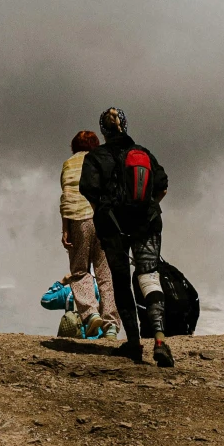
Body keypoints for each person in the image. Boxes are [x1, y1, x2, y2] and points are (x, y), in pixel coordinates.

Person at [77, 105, 173, 368]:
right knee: (149, 276)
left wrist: (105, 213)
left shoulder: (95, 157)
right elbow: (163, 185)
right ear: (126, 126)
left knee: (121, 282)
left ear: (103, 131)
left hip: (113, 227)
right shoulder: (143, 153)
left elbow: (88, 190)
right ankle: (160, 340)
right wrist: (148, 205)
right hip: (147, 223)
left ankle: (134, 343)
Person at [61, 128, 119, 338]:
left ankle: (91, 314)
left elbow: (67, 196)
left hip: (79, 219)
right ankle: (111, 325)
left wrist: (65, 228)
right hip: (104, 219)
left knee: (79, 270)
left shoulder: (69, 164)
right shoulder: (104, 160)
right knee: (106, 273)